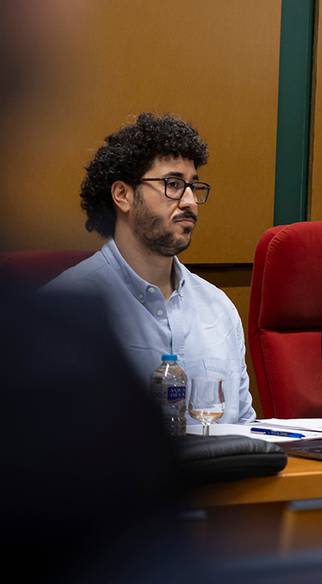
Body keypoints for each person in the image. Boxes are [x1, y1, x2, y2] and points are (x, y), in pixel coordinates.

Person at [44, 113, 255, 423]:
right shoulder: (64, 310)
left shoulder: (218, 309)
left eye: (193, 186)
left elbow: (246, 429)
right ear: (123, 195)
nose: (190, 202)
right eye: (173, 184)